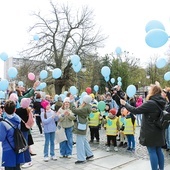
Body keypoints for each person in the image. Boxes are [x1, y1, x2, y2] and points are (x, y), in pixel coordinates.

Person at [120, 84, 166, 170]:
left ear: (153, 92)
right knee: (159, 150)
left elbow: (135, 110)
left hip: (150, 131)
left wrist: (125, 104)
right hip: (159, 130)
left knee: (152, 151)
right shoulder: (162, 101)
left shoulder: (150, 103)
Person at [0, 100, 25, 170]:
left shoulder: (3, 123)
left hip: (8, 149)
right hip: (18, 146)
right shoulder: (18, 119)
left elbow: (1, 138)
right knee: (17, 167)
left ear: (4, 110)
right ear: (15, 110)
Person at [70, 95, 94, 164]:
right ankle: (89, 154)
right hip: (83, 125)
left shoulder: (85, 108)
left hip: (81, 126)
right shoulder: (88, 106)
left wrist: (72, 102)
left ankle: (81, 158)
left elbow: (75, 110)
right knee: (84, 140)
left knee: (79, 143)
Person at [15, 98, 33, 168]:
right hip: (26, 129)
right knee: (25, 144)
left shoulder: (18, 110)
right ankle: (27, 160)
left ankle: (24, 160)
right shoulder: (28, 110)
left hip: (19, 129)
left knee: (21, 145)